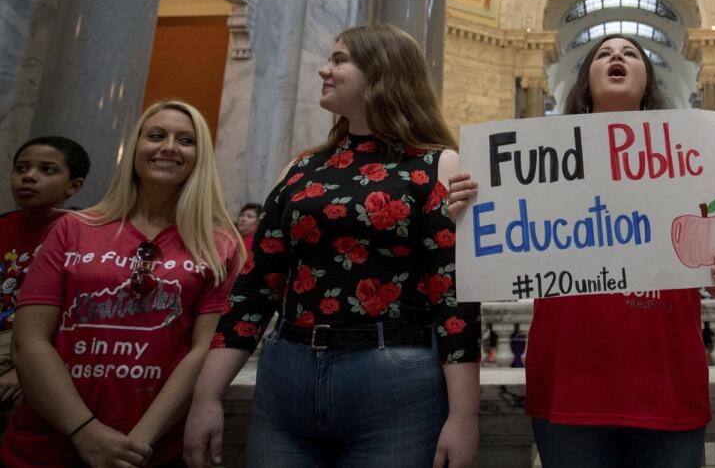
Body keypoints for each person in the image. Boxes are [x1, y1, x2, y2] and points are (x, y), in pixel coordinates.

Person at [447, 34, 715, 468]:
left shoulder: (688, 157)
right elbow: (500, 252)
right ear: (584, 79)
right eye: (604, 53)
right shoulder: (538, 162)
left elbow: (713, 275)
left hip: (667, 387)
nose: (617, 56)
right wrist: (468, 210)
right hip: (569, 387)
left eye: (630, 53)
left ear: (647, 82)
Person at [184, 25, 481, 468]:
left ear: (381, 72)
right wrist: (206, 397)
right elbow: (256, 286)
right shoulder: (300, 167)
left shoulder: (437, 164)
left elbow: (453, 297)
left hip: (395, 380)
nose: (325, 69)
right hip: (288, 371)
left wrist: (463, 416)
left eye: (340, 60)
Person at [0, 100, 243, 467]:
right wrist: (85, 431)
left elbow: (204, 350)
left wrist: (138, 443)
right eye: (156, 135)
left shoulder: (219, 244)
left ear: (201, 157)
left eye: (186, 140)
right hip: (49, 442)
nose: (168, 147)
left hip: (151, 449)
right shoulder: (72, 229)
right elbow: (30, 341)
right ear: (135, 148)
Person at [0, 137, 90, 415]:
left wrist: (23, 369)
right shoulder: (4, 225)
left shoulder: (84, 234)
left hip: (34, 348)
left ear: (74, 185)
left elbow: (77, 315)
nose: (29, 177)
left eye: (47, 170)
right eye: (21, 168)